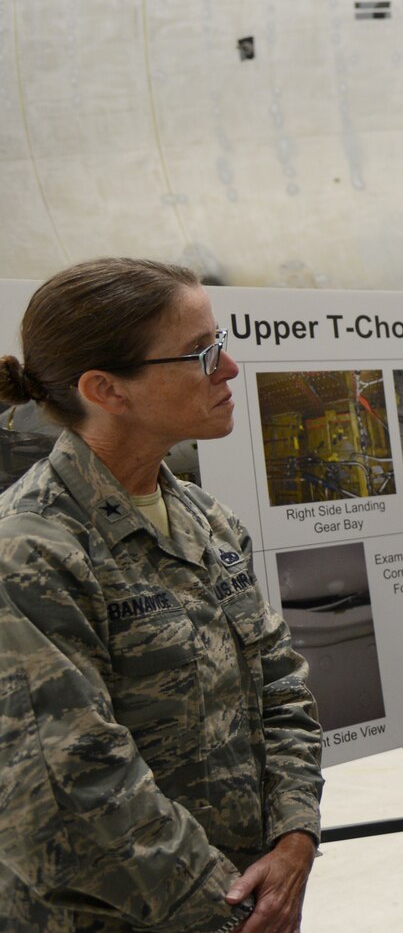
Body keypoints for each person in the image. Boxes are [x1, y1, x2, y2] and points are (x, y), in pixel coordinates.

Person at [0, 258, 323, 933]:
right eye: (204, 352)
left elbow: (282, 685)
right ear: (106, 389)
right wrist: (229, 913)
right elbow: (69, 793)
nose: (229, 367)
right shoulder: (32, 552)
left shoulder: (208, 522)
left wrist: (295, 842)